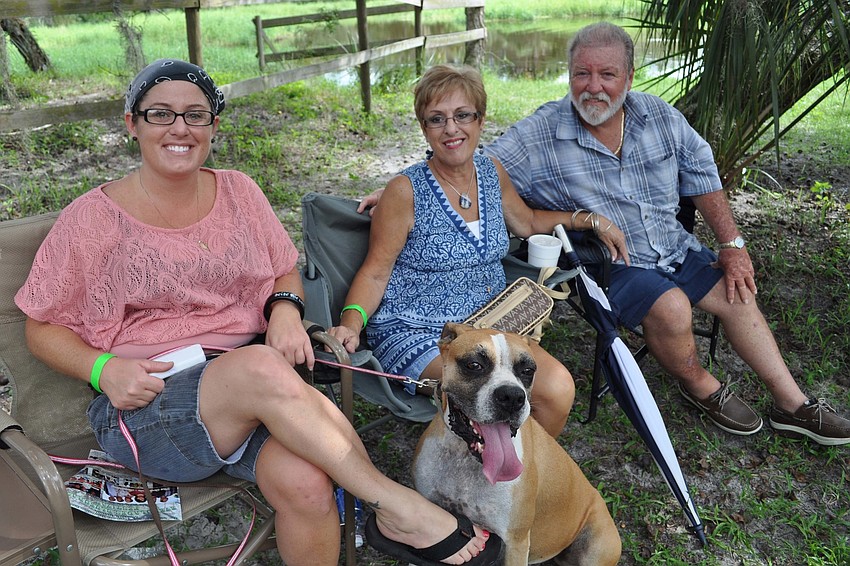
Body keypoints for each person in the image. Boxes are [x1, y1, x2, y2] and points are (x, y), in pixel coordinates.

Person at [14, 58, 505, 566]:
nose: (180, 128)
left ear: (213, 126)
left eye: (195, 115)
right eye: (159, 113)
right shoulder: (92, 219)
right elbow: (40, 326)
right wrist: (103, 369)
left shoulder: (239, 192)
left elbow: (282, 270)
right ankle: (395, 507)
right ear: (132, 124)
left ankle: (380, 510)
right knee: (257, 366)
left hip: (259, 395)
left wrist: (287, 311)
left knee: (306, 482)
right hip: (151, 405)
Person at [480, 21, 850, 446]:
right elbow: (479, 168)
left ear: (629, 77)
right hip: (610, 266)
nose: (593, 87)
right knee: (673, 307)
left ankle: (793, 405)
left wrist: (732, 245)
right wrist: (565, 217)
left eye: (607, 74)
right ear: (569, 74)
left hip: (674, 246)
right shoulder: (541, 132)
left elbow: (702, 174)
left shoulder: (657, 115)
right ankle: (699, 384)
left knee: (738, 290)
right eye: (582, 73)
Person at [331, 64, 628, 438]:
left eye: (462, 115)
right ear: (424, 128)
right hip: (421, 332)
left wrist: (588, 220)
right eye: (437, 119)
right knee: (485, 393)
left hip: (491, 324)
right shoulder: (404, 192)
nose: (451, 128)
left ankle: (517, 467)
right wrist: (351, 324)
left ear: (480, 120)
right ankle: (483, 462)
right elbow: (375, 272)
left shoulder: (490, 172)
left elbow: (528, 222)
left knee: (558, 389)